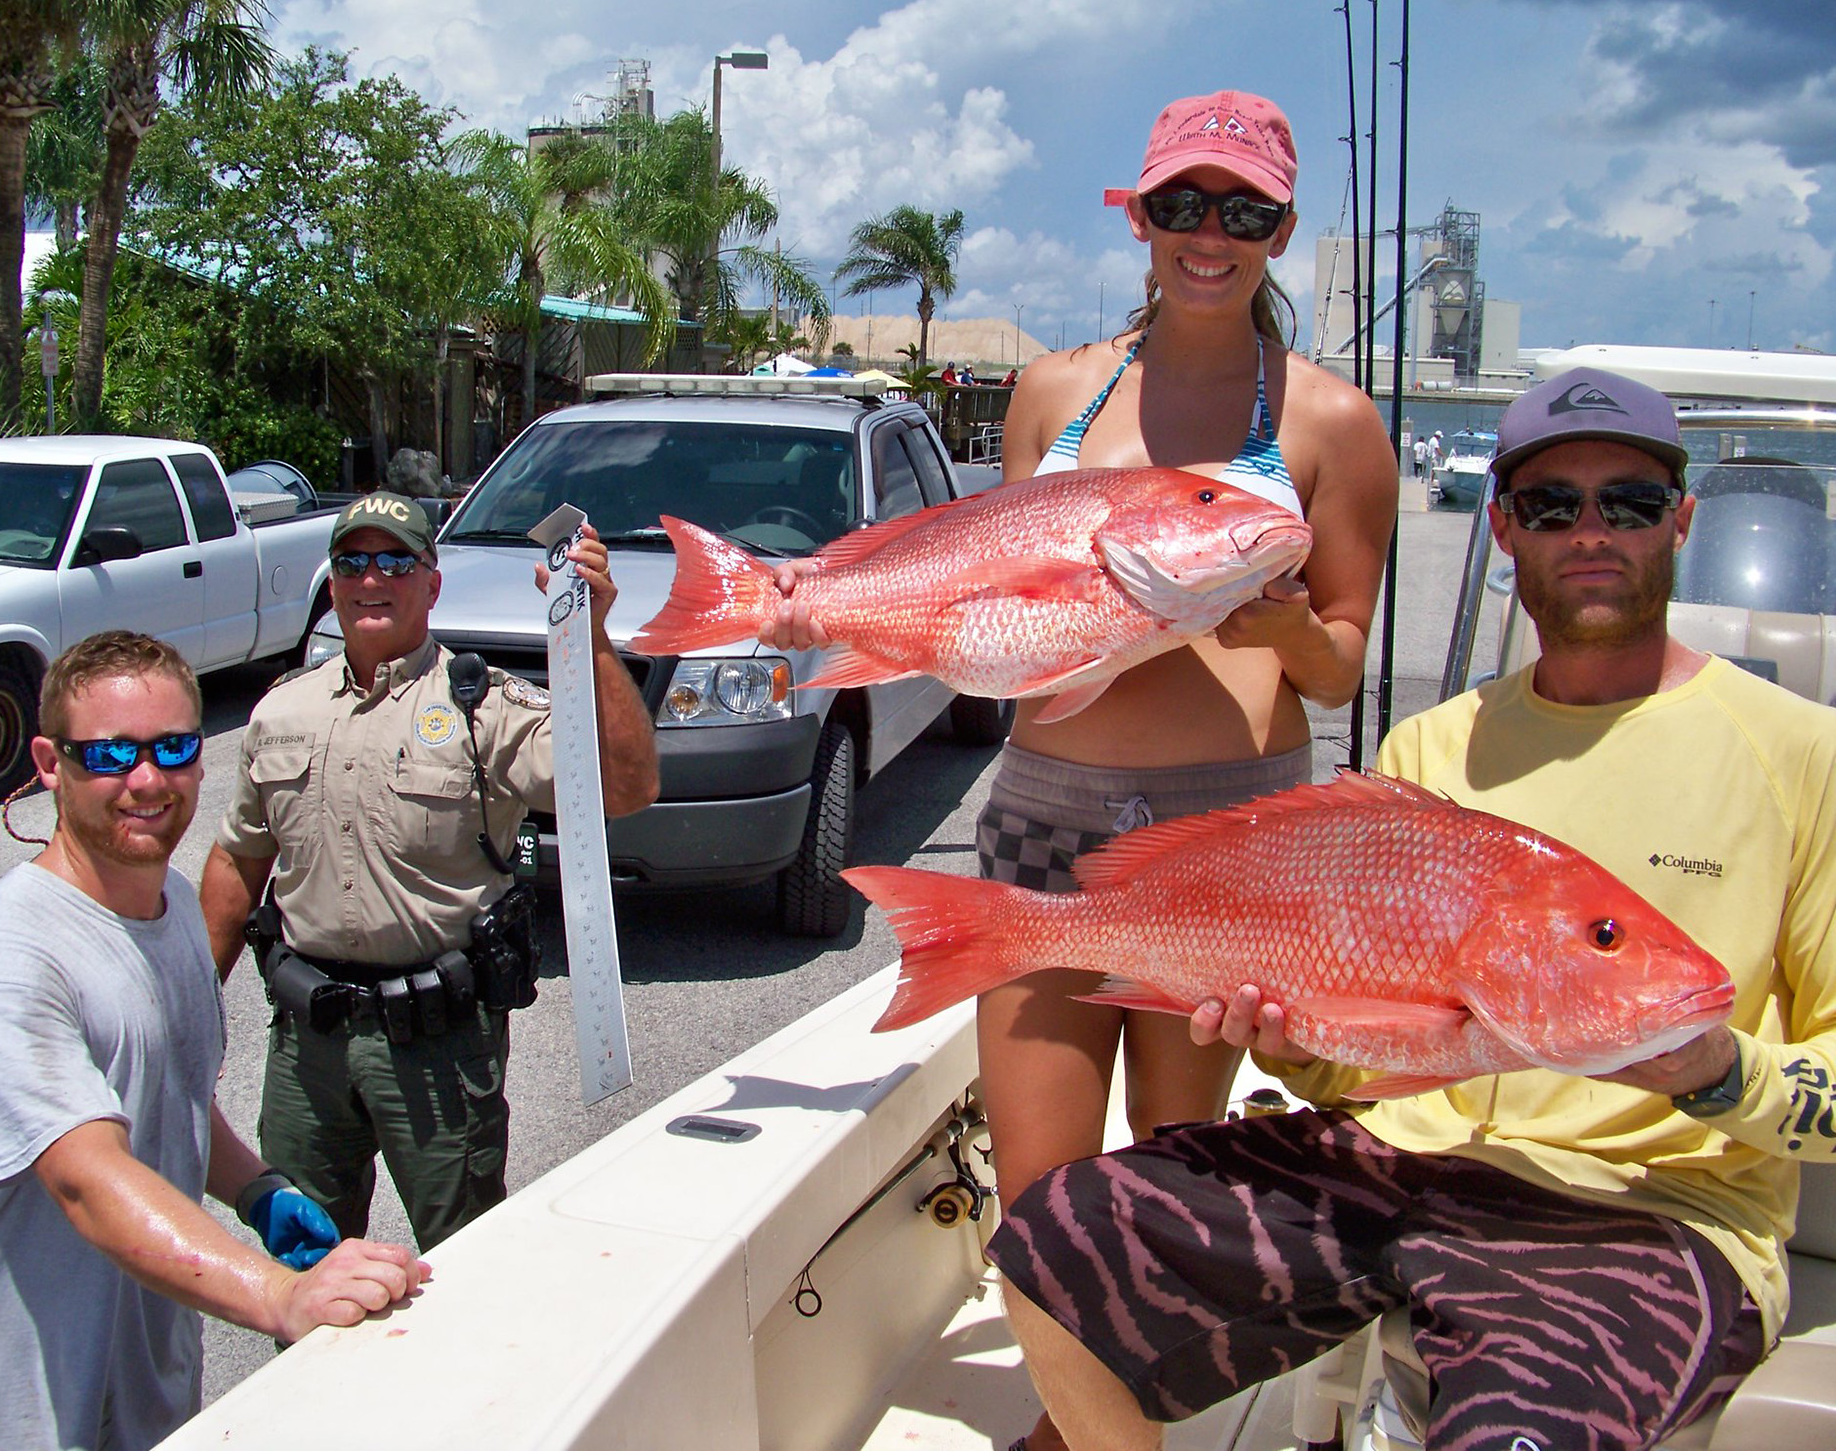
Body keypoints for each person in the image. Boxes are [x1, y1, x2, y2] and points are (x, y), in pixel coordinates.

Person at [989, 366, 1836, 1451]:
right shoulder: (1428, 750)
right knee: (1052, 1240)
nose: (1588, 533)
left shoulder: (1802, 758)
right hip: (1385, 1161)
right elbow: (1357, 1066)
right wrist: (1288, 1044)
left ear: (1679, 523)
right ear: (1502, 529)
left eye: (1624, 503)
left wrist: (1713, 1070)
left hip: (1644, 1212)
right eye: (1548, 505)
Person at [767, 89, 1396, 1451]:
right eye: (1181, 204)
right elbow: (1001, 600)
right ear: (1140, 217)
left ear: (1285, 229)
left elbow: (1342, 659)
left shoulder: (1337, 426)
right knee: (1044, 1216)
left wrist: (1277, 621)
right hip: (1045, 815)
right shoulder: (1057, 392)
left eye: (1244, 211)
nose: (1209, 236)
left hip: (1230, 834)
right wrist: (850, 621)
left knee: (1170, 1213)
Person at [0, 631, 429, 1451]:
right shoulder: (5, 962)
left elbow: (169, 1091)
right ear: (50, 763)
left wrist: (258, 1188)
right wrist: (278, 1297)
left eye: (172, 748)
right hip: (27, 1407)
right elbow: (85, 1177)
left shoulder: (177, 915)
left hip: (154, 1385)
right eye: (111, 754)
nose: (146, 780)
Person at [199, 493, 658, 1252]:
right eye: (352, 561)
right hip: (305, 1047)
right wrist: (187, 1012)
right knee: (300, 1263)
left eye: (394, 561)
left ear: (431, 582)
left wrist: (592, 637)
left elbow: (628, 786)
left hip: (436, 1050)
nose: (371, 578)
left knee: (463, 1265)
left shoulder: (485, 710)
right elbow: (238, 861)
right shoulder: (283, 710)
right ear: (334, 580)